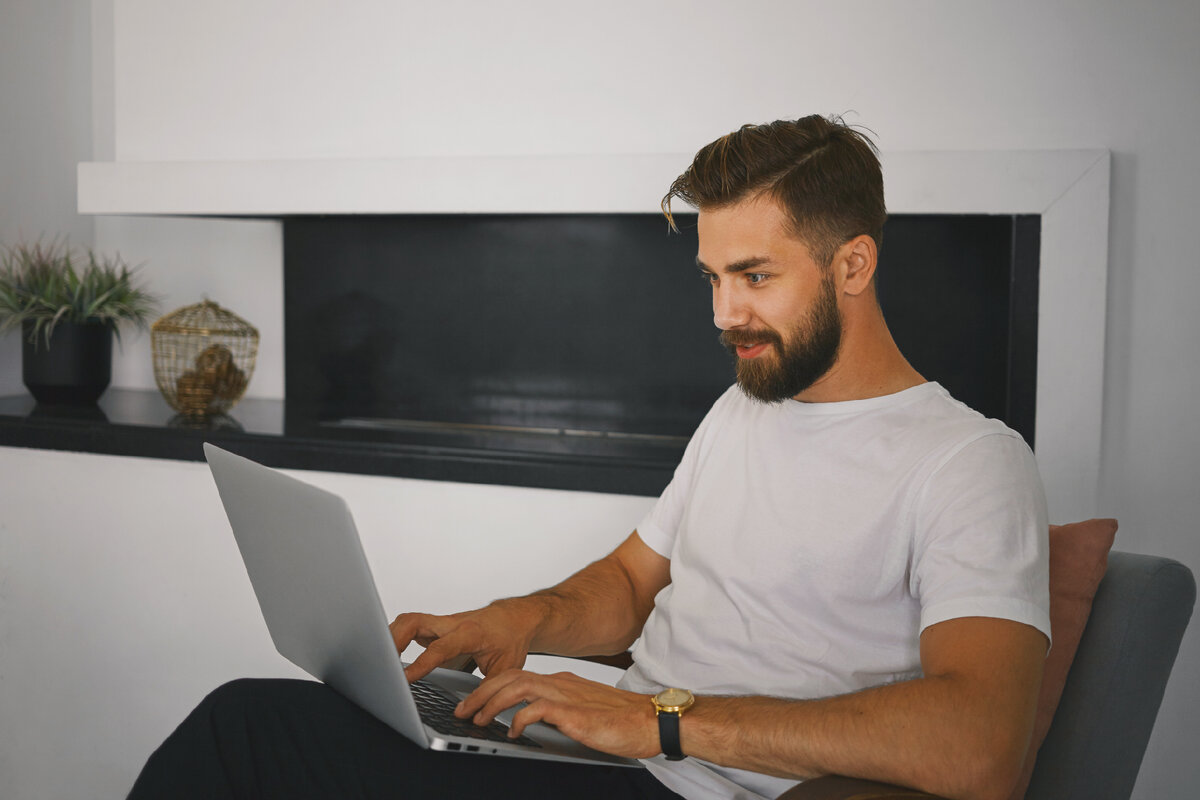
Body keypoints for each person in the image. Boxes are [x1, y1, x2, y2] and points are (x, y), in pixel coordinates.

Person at [128, 115, 1050, 800]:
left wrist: (656, 722)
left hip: (691, 782)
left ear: (852, 265)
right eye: (713, 279)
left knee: (253, 749)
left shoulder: (966, 462)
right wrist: (511, 622)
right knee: (249, 719)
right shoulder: (745, 410)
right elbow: (631, 582)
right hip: (615, 755)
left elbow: (981, 743)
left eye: (756, 277)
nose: (724, 315)